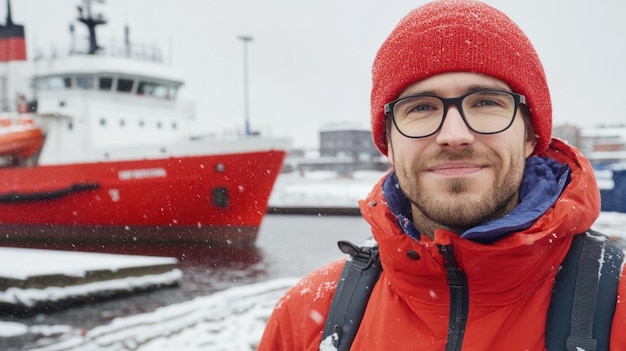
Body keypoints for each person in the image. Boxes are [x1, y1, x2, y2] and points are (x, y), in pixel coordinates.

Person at [258, 0, 626, 349]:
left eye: (485, 102)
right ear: (388, 141)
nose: (454, 135)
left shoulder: (619, 304)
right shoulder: (307, 317)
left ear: (531, 134)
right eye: (420, 107)